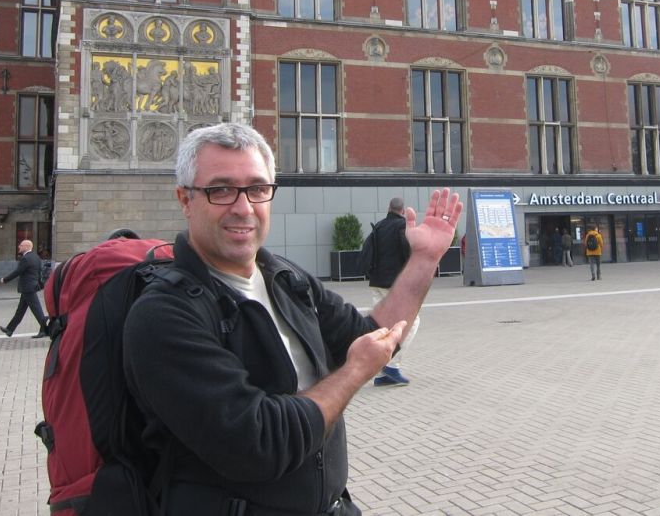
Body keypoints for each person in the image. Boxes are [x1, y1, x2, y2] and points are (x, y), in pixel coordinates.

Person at [122, 122, 461, 515]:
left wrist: (423, 260)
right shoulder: (164, 313)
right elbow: (260, 444)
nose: (243, 207)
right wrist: (353, 373)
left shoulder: (287, 280)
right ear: (185, 199)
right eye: (221, 190)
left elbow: (372, 336)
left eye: (257, 189)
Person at [366, 197, 414, 386]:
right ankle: (390, 365)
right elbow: (407, 252)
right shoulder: (402, 227)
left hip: (376, 282)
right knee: (411, 321)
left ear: (389, 208)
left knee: (381, 325)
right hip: (393, 284)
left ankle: (380, 375)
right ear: (402, 211)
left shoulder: (379, 226)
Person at [0, 239, 49, 338]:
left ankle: (45, 329)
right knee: (20, 311)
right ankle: (9, 329)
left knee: (37, 310)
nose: (19, 247)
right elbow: (39, 272)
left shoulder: (26, 258)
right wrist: (39, 284)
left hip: (28, 288)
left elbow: (18, 272)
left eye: (21, 245)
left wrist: (5, 280)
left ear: (26, 246)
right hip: (31, 287)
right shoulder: (36, 257)